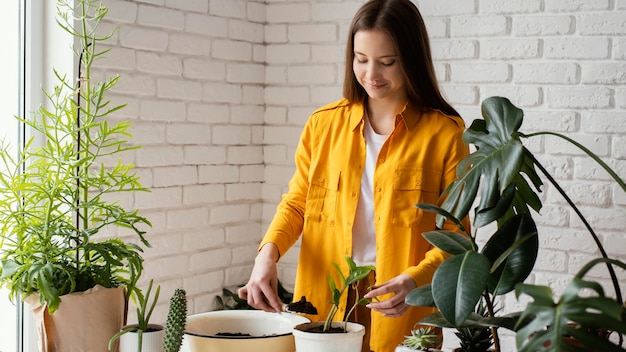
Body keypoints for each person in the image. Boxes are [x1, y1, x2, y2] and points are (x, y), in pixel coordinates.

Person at [238, 0, 469, 351]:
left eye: (387, 62)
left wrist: (417, 281)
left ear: (411, 58)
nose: (371, 75)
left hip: (400, 304)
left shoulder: (445, 134)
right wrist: (266, 255)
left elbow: (456, 237)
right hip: (325, 303)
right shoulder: (323, 125)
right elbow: (298, 203)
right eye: (361, 59)